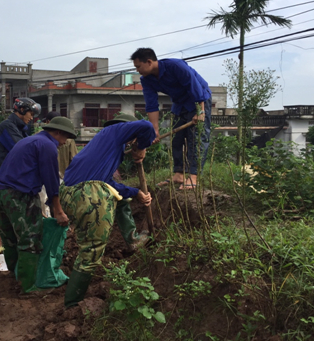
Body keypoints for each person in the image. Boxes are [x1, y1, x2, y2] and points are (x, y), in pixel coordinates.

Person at [60, 113, 154, 307]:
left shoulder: (106, 145)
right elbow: (147, 126)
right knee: (92, 251)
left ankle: (133, 240)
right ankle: (72, 304)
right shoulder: (115, 132)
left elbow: (107, 183)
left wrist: (136, 192)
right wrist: (142, 148)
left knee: (121, 198)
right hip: (87, 192)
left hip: (71, 193)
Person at [0, 116, 75, 293]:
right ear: (58, 132)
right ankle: (28, 286)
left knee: (10, 238)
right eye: (65, 138)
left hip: (3, 194)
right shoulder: (47, 146)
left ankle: (14, 276)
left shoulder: (30, 140)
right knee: (30, 240)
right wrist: (58, 210)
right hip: (20, 195)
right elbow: (52, 180)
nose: (64, 143)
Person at [131, 47, 212, 189]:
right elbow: (151, 104)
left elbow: (195, 86)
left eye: (138, 66)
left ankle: (193, 176)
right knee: (177, 138)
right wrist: (154, 130)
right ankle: (179, 174)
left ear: (149, 62)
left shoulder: (175, 66)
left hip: (198, 99)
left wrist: (200, 111)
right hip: (179, 102)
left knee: (196, 137)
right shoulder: (147, 80)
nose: (137, 70)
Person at [0, 98, 41, 192]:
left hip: (12, 180)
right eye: (31, 114)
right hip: (6, 182)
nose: (32, 118)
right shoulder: (7, 127)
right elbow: (23, 150)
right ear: (22, 110)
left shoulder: (19, 128)